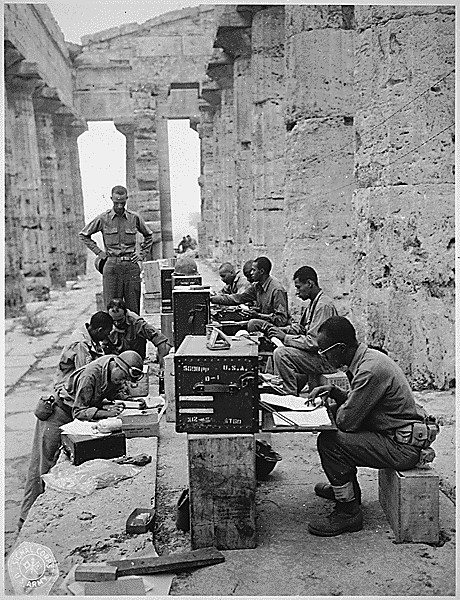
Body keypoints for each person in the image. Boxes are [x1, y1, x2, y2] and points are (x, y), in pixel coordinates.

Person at [306, 316, 430, 537]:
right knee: (335, 432)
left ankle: (348, 511)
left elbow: (347, 422)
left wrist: (337, 408)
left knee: (331, 441)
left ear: (341, 348)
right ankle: (346, 490)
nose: (322, 356)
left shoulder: (369, 370)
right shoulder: (366, 359)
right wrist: (335, 392)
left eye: (325, 351)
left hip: (402, 447)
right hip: (392, 434)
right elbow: (362, 403)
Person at [18, 348, 140, 527]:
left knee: (55, 466)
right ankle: (26, 519)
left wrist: (110, 404)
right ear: (116, 364)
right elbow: (79, 411)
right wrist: (103, 412)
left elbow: (97, 397)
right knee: (43, 466)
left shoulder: (111, 368)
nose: (121, 382)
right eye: (121, 377)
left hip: (70, 416)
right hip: (57, 414)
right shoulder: (91, 375)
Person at [261, 266, 338, 395]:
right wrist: (280, 331)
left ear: (309, 283)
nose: (297, 292)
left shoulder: (323, 306)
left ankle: (289, 394)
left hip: (327, 360)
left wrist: (285, 338)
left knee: (282, 354)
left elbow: (313, 342)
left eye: (298, 287)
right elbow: (301, 329)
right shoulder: (314, 303)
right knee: (274, 348)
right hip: (319, 356)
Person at [79, 185, 153, 315]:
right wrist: (99, 253)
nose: (119, 206)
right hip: (112, 267)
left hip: (131, 267)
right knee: (111, 309)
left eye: (122, 203)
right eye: (116, 202)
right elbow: (84, 235)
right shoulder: (103, 218)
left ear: (126, 200)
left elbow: (149, 235)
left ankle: (133, 335)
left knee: (133, 310)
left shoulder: (134, 218)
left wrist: (141, 254)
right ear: (111, 199)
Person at [210, 256, 289, 327]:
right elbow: (237, 298)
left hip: (277, 327)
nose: (251, 273)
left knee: (252, 323)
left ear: (261, 271)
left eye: (254, 270)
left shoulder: (277, 290)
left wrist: (258, 315)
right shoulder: (256, 286)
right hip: (263, 321)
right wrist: (212, 299)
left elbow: (281, 320)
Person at [106, 298, 172, 365]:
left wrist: (161, 363)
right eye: (114, 321)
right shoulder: (106, 322)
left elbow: (162, 341)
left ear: (125, 315)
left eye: (120, 320)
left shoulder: (137, 323)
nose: (117, 324)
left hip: (135, 362)